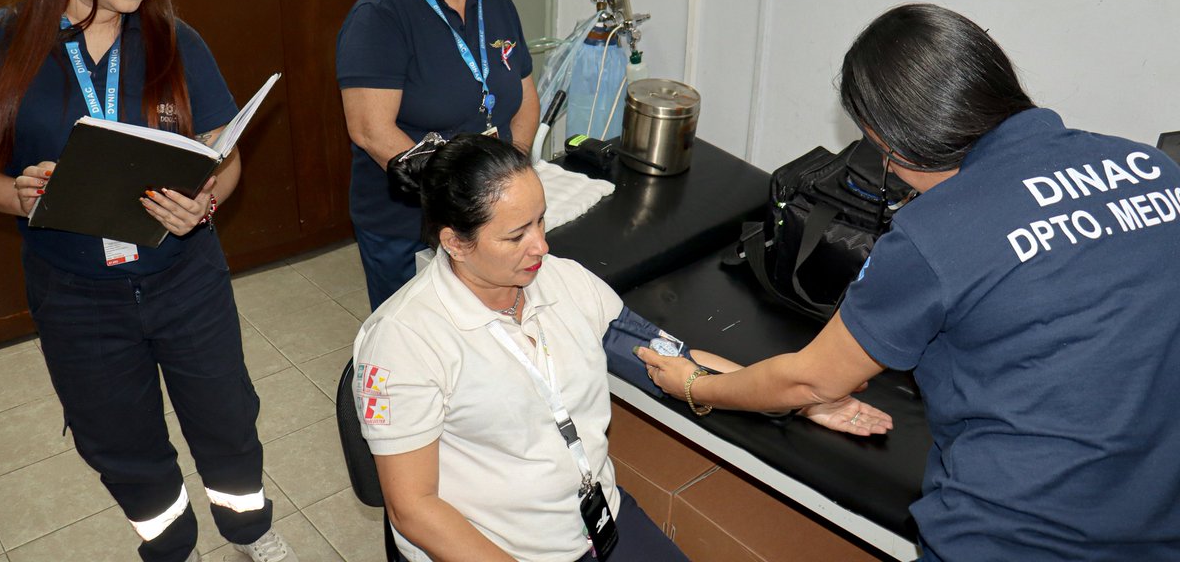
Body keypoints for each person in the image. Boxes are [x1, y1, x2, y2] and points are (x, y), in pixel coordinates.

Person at [638, 3, 1180, 560]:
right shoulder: (1152, 168)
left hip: (1016, 536)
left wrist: (695, 385)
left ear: (891, 142)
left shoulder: (935, 232)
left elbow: (809, 383)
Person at [351, 133, 888, 562]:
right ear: (454, 242)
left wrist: (798, 397)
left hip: (592, 520)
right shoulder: (403, 341)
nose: (541, 245)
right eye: (515, 236)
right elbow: (414, 509)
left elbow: (667, 356)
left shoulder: (562, 281)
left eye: (540, 220)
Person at [0, 0, 295, 562]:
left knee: (226, 417)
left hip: (185, 277)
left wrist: (207, 197)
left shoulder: (175, 40)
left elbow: (224, 150)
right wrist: (14, 195)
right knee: (117, 436)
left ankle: (249, 530)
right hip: (75, 295)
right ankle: (170, 543)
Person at [337, 0, 540, 311]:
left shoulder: (496, 2)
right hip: (409, 220)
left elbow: (523, 98)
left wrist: (512, 173)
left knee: (490, 335)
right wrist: (462, 199)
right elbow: (371, 131)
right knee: (417, 345)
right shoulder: (380, 15)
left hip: (490, 214)